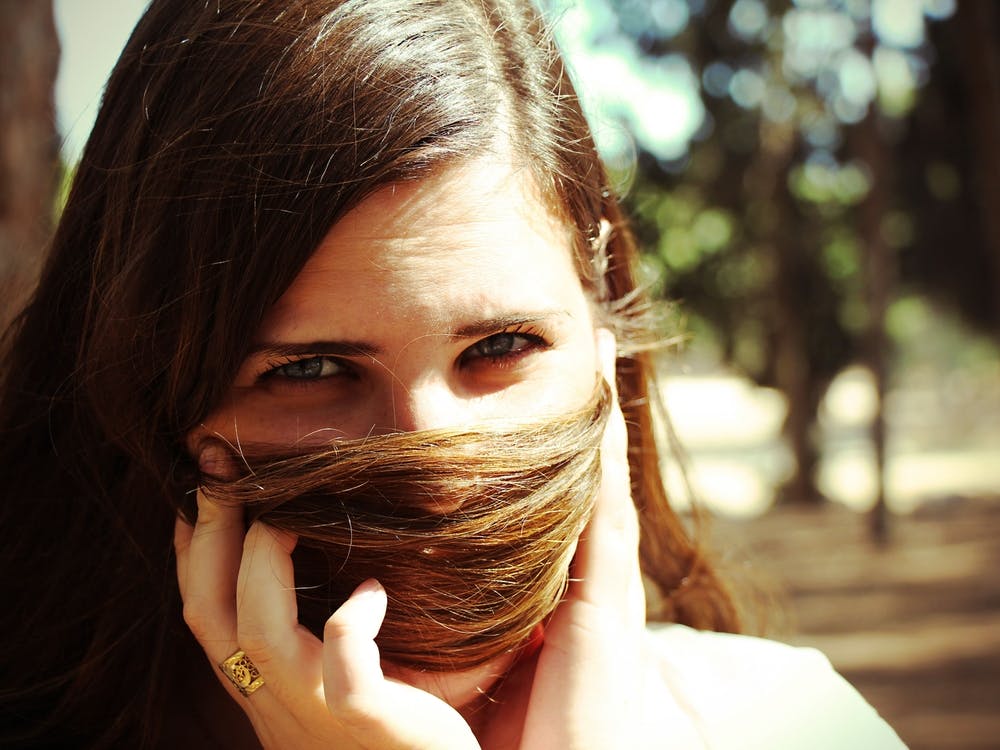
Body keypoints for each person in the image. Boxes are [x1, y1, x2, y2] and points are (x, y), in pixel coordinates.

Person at [0, 1, 905, 748]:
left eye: (501, 346)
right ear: (144, 374)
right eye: (309, 368)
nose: (441, 477)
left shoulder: (791, 723)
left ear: (599, 326)